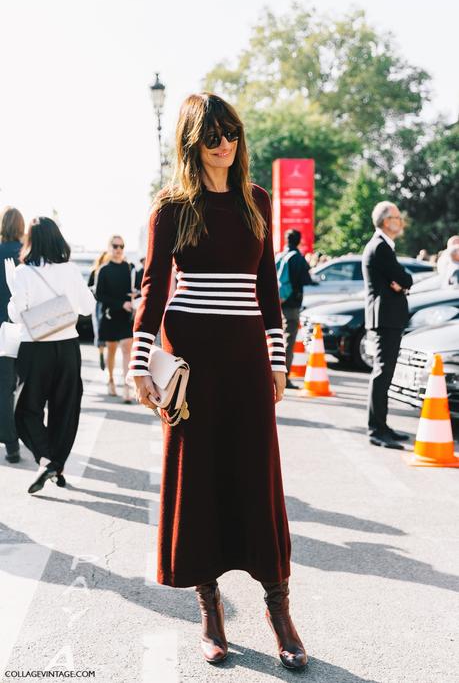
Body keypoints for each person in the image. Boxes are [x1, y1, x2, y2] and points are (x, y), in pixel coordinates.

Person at [128, 93, 307, 670]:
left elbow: (268, 293)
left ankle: (278, 608)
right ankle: (210, 608)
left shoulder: (257, 200)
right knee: (199, 481)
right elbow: (155, 287)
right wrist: (140, 363)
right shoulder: (172, 207)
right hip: (193, 367)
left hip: (248, 360)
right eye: (211, 135)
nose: (224, 143)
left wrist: (278, 362)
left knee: (258, 478)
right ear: (191, 142)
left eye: (230, 132)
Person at [7, 217, 95, 494]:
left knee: (26, 409)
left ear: (31, 241)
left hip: (35, 347)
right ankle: (56, 464)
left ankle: (47, 460)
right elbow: (88, 307)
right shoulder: (69, 270)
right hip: (68, 346)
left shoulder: (22, 273)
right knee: (64, 409)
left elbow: (17, 314)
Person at [362, 201, 413, 449]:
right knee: (382, 373)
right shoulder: (380, 247)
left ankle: (382, 426)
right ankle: (376, 430)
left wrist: (401, 283)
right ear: (385, 221)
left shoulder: (384, 246)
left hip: (387, 317)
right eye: (396, 216)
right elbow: (404, 278)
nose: (400, 221)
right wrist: (402, 283)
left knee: (385, 373)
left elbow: (402, 280)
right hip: (385, 318)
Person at [95, 235, 138, 403]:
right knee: (111, 351)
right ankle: (111, 379)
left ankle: (127, 387)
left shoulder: (129, 268)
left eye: (122, 246)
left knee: (127, 350)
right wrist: (121, 304)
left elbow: (137, 288)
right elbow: (99, 295)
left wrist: (135, 295)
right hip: (110, 315)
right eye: (115, 246)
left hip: (126, 317)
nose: (119, 249)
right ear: (109, 247)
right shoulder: (104, 270)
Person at [0, 207, 25, 463]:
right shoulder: (24, 255)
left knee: (5, 386)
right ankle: (11, 443)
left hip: (3, 328)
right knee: (11, 385)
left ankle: (11, 441)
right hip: (19, 329)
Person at [276, 228, 315, 388]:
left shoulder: (280, 255)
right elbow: (306, 280)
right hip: (291, 303)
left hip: (278, 300)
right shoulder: (297, 258)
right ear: (298, 241)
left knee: (276, 339)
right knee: (289, 340)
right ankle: (283, 377)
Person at [88, 251, 109, 371]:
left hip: (106, 304)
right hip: (97, 305)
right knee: (99, 330)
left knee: (104, 331)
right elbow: (89, 288)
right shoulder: (94, 272)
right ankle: (102, 353)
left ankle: (104, 353)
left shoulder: (110, 271)